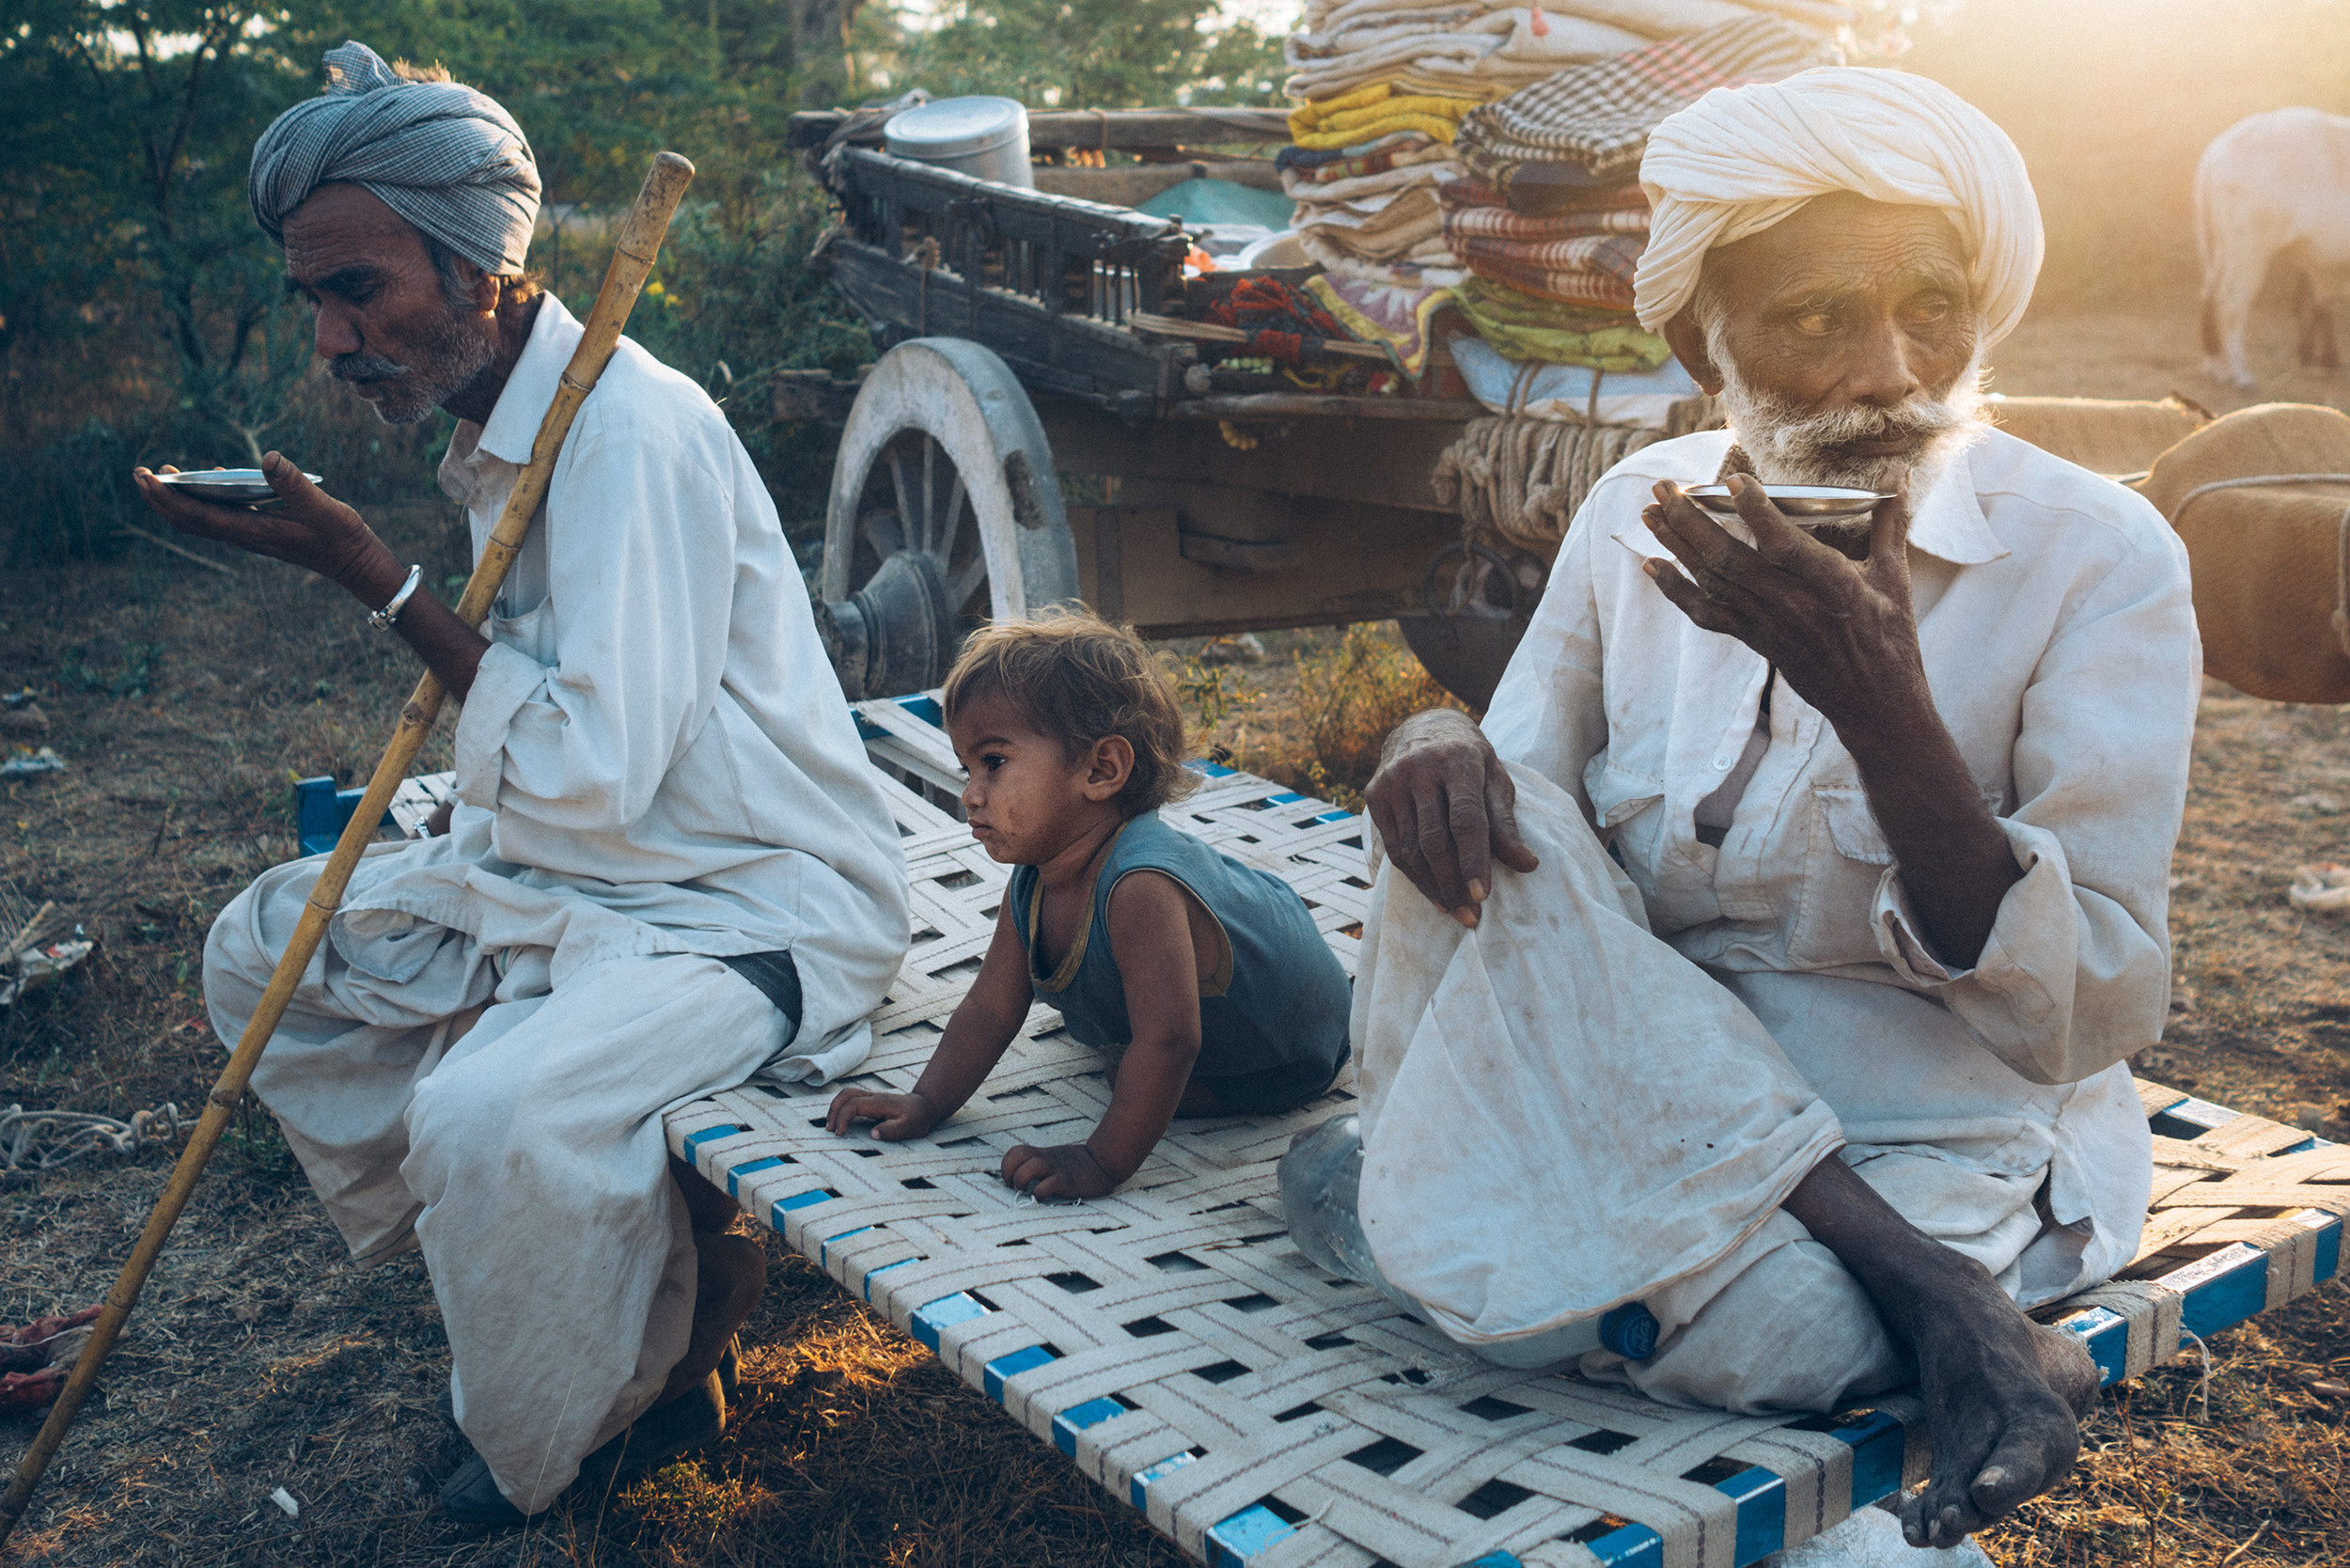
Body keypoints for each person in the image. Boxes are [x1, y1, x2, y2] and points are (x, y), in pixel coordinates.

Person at [1288, 68, 2200, 1562]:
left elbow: (2088, 1011)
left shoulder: (2098, 558)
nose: (1887, 373)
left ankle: (1448, 1215)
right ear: (1697, 339)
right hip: (1630, 1087)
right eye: (1817, 320)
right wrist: (1433, 738)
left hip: (1934, 1130)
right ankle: (1933, 1293)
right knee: (1493, 836)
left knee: (1777, 1324)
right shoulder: (1632, 509)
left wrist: (1885, 712)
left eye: (1933, 310)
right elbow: (1518, 835)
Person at [132, 42, 911, 1527]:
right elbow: (562, 750)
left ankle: (612, 1410)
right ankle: (589, 1266)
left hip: (740, 904)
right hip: (571, 872)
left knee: (487, 1118)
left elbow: (598, 772)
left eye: (359, 290)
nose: (333, 338)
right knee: (265, 949)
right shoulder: (507, 427)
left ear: (476, 265)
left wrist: (376, 578)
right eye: (314, 299)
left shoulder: (627, 433)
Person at [825, 615, 1352, 1196]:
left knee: (1144, 1067)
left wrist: (1099, 1162)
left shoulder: (1139, 889)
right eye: (966, 769)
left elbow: (1171, 1040)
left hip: (1292, 1045)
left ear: (1101, 770)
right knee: (1130, 1061)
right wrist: (926, 1101)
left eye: (994, 763)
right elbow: (990, 1009)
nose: (970, 794)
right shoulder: (1034, 879)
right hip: (1223, 988)